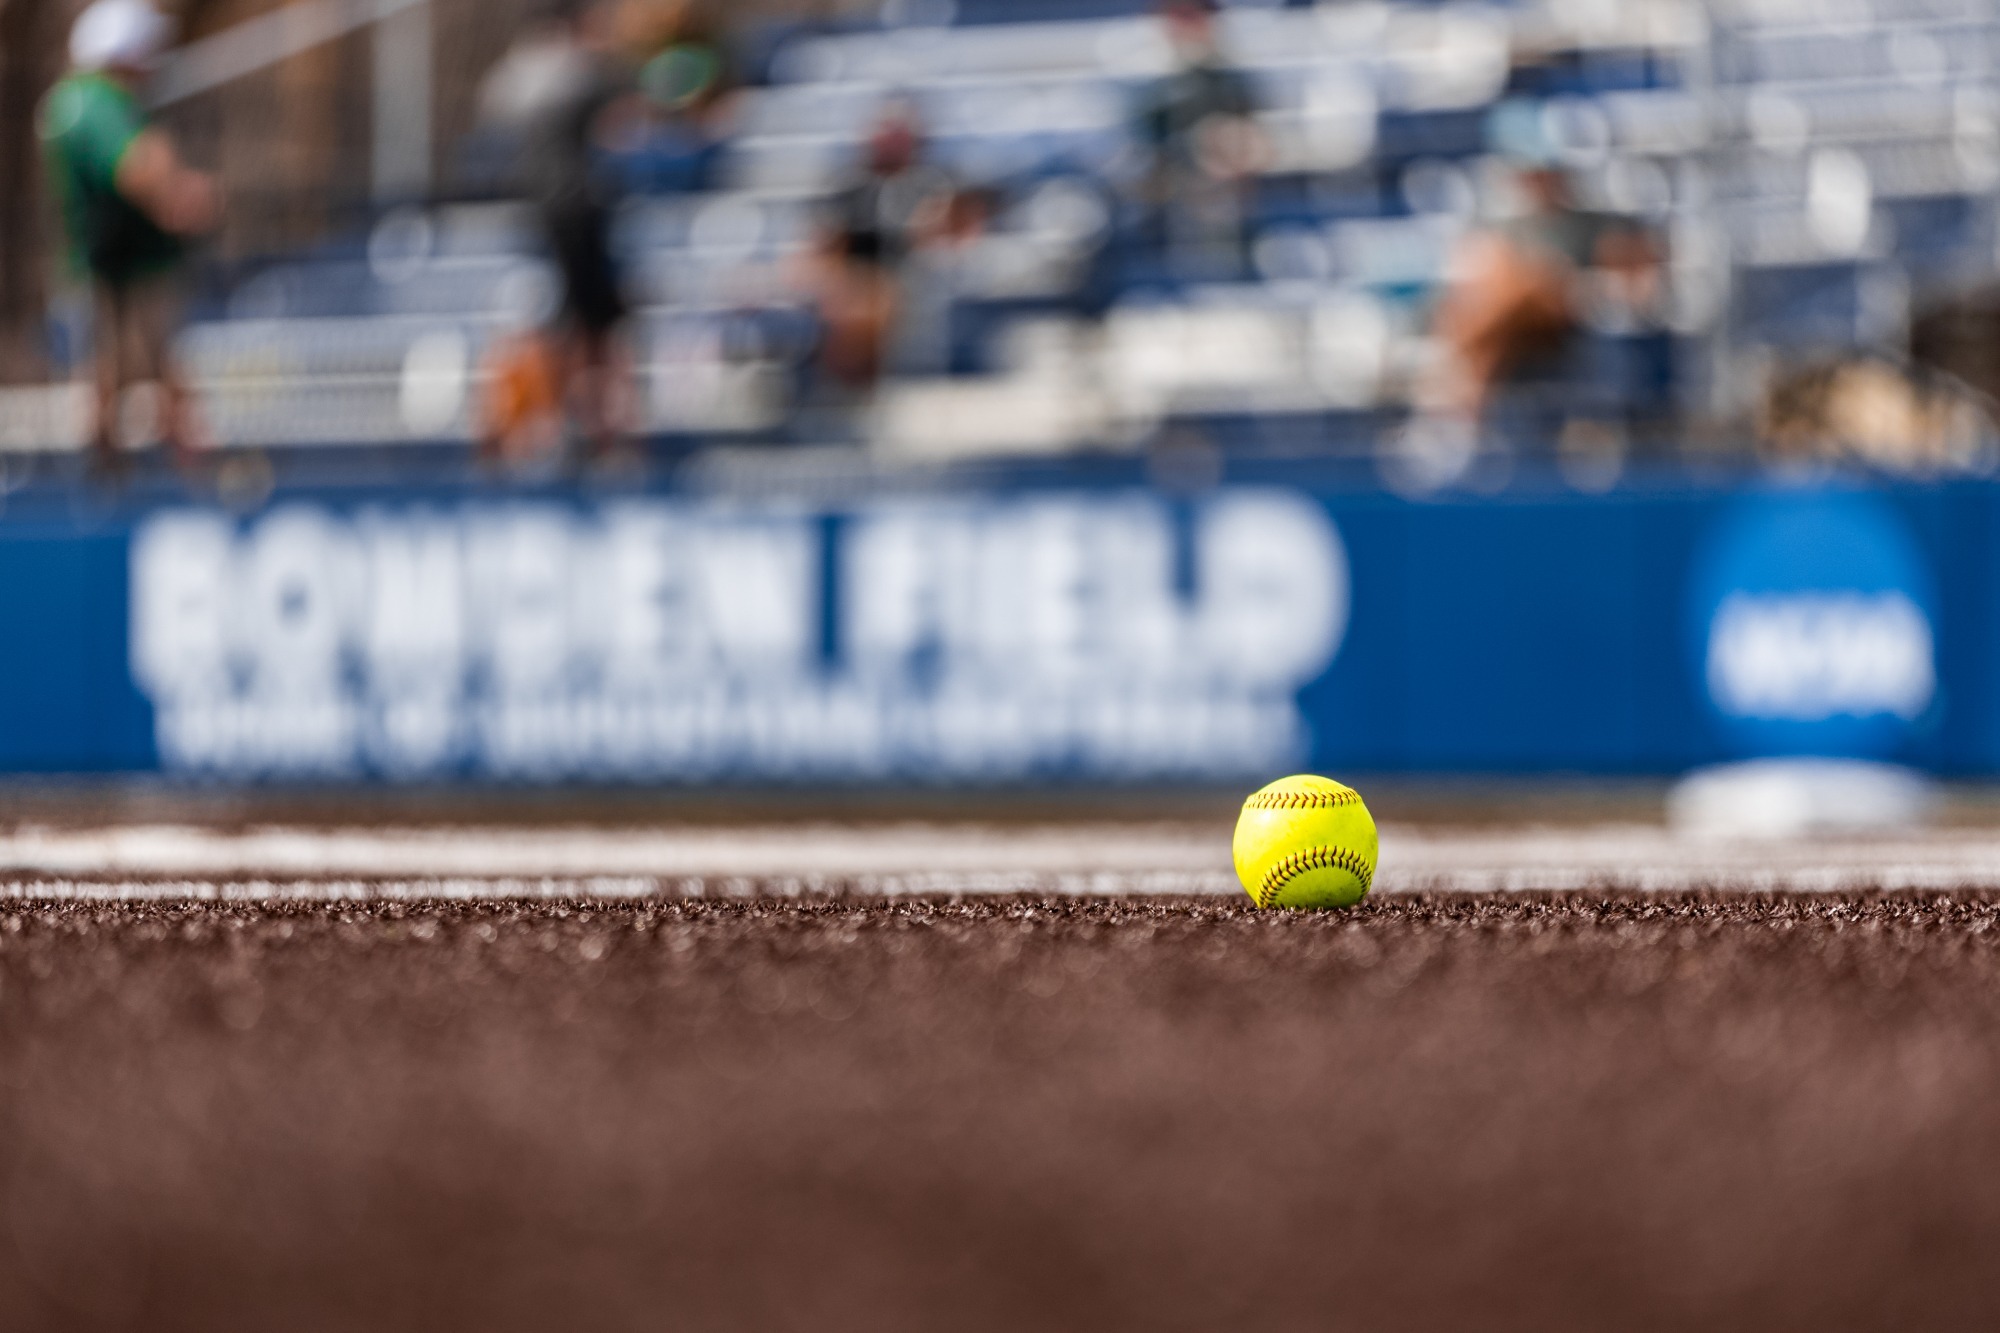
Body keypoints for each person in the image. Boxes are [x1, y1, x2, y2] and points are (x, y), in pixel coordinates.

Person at [39, 0, 217, 471]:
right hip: (118, 269)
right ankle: (132, 476)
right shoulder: (96, 102)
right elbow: (136, 167)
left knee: (129, 373)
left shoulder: (80, 101)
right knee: (121, 375)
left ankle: (123, 468)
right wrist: (179, 192)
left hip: (117, 265)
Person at [479, 0, 637, 463]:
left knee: (576, 322)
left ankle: (574, 426)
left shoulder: (525, 77)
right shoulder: (573, 73)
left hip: (551, 212)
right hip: (570, 214)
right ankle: (574, 427)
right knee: (577, 326)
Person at [1131, 0, 1266, 279]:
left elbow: (1256, 143)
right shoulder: (1145, 88)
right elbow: (1142, 165)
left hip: (1230, 201)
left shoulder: (1234, 82)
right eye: (1180, 15)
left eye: (1197, 14)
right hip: (1169, 204)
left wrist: (1221, 153)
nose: (1189, 24)